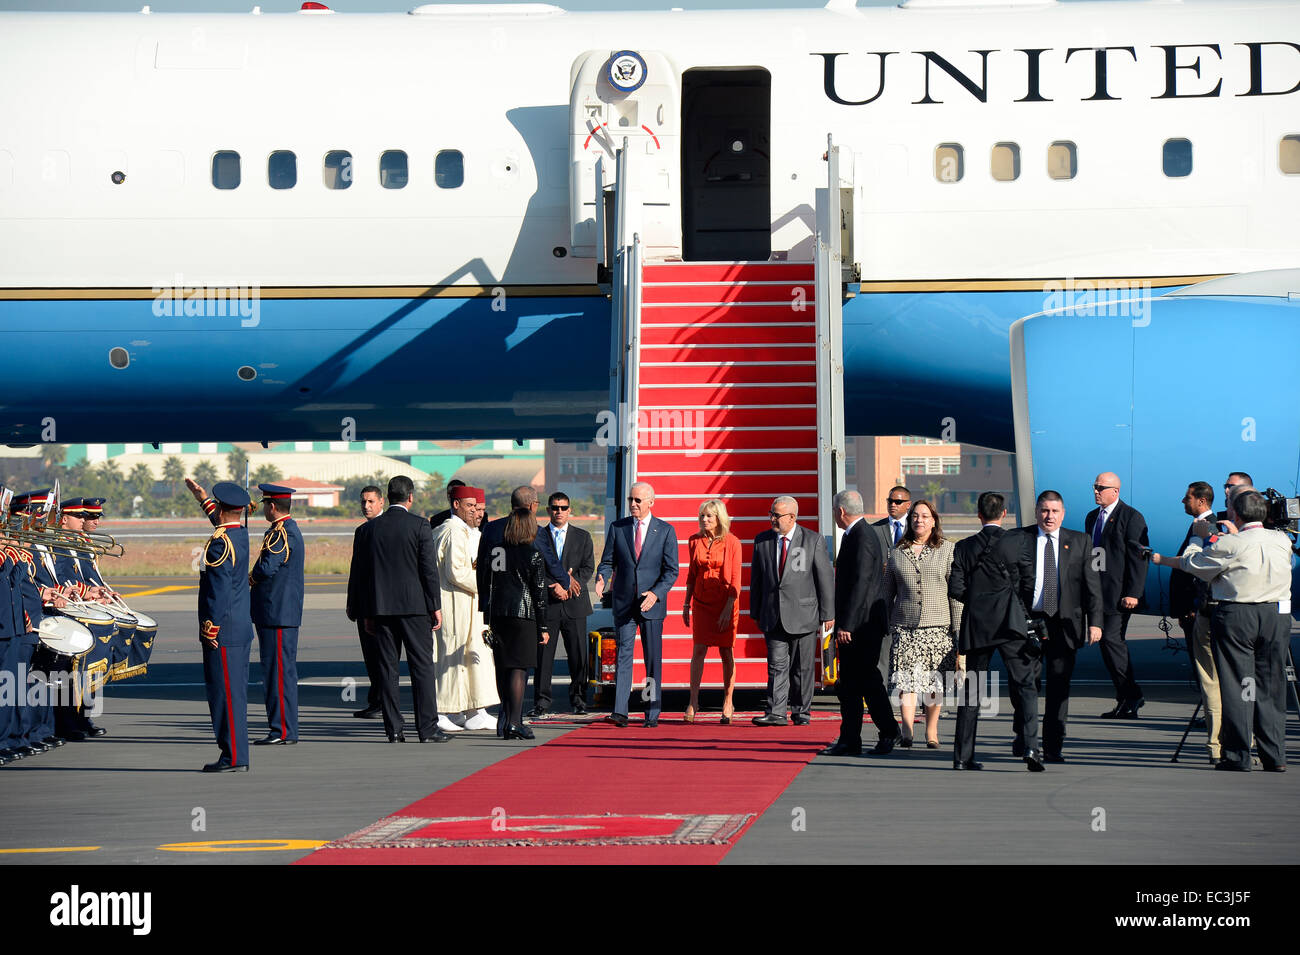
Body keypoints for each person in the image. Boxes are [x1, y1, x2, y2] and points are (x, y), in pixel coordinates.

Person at [1151, 488, 1292, 772]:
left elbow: (1194, 564)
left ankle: (1237, 754)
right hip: (1276, 615)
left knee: (1239, 685)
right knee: (1271, 686)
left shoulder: (1230, 544)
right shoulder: (1281, 540)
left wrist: (1199, 537)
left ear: (1236, 515)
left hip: (1238, 614)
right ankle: (1274, 755)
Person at [346, 475, 451, 744]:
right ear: (410, 497)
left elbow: (359, 575)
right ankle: (427, 728)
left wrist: (362, 611)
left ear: (387, 498)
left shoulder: (367, 531)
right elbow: (428, 570)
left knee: (387, 670)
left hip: (381, 610)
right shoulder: (419, 526)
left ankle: (393, 729)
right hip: (414, 608)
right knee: (422, 668)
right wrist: (434, 606)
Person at [1006, 490, 1103, 766]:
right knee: (1024, 684)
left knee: (1059, 687)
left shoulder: (1081, 541)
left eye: (1055, 511)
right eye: (1044, 511)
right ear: (1037, 512)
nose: (1049, 516)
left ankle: (1052, 747)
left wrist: (1095, 622)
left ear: (1063, 513)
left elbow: (1091, 585)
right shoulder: (1020, 538)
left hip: (1065, 624)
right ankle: (1025, 736)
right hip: (1028, 620)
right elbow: (1010, 582)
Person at [949, 491, 1041, 771]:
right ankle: (1031, 748)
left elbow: (955, 588)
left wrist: (978, 601)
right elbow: (1029, 583)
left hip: (978, 625)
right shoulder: (1018, 542)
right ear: (1004, 514)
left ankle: (963, 757)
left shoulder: (964, 547)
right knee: (1025, 686)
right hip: (1011, 624)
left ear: (979, 515)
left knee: (972, 692)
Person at [819, 489, 900, 757]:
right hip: (858, 624)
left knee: (866, 682)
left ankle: (888, 730)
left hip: (862, 627)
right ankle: (850, 739)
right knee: (851, 685)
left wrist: (847, 625)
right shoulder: (859, 534)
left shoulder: (862, 537)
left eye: (834, 511)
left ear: (841, 511)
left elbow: (861, 585)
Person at [594, 481, 678, 727]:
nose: (632, 504)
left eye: (638, 500)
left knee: (652, 659)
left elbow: (671, 571)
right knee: (623, 656)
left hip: (651, 605)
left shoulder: (665, 531)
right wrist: (602, 577)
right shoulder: (618, 528)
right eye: (631, 499)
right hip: (624, 603)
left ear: (651, 502)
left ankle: (651, 712)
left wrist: (656, 593)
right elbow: (607, 561)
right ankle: (620, 711)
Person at [882, 499, 961, 748]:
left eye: (925, 516)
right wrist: (882, 624)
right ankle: (906, 732)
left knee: (932, 684)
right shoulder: (897, 552)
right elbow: (886, 593)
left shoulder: (947, 550)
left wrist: (958, 630)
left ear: (934, 520)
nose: (919, 520)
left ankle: (932, 732)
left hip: (938, 628)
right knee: (906, 683)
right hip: (905, 628)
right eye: (915, 516)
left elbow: (956, 595)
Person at [749, 495, 833, 727]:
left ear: (792, 517)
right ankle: (776, 712)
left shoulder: (812, 540)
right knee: (776, 665)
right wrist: (755, 610)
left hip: (804, 615)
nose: (772, 519)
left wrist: (828, 614)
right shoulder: (762, 541)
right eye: (771, 513)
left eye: (777, 515)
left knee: (802, 667)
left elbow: (824, 579)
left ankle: (801, 712)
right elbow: (756, 578)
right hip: (772, 615)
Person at [189, 480, 255, 772]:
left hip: (224, 629)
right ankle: (236, 754)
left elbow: (217, 592)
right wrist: (203, 499)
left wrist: (210, 627)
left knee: (224, 695)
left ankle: (233, 757)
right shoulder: (240, 535)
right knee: (236, 694)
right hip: (240, 626)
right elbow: (222, 520)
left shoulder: (219, 544)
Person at [430, 485, 498, 733]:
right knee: (451, 657)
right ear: (456, 504)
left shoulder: (463, 531)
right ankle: (440, 711)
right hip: (455, 604)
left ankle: (472, 710)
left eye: (477, 507)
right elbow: (457, 572)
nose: (474, 512)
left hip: (467, 605)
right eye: (469, 506)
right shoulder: (453, 531)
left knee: (469, 658)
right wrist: (487, 583)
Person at [1084, 472, 1150, 718]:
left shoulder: (1131, 517)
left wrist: (1134, 592)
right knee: (1106, 644)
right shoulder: (1092, 517)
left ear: (1115, 491)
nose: (1096, 491)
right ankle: (1125, 698)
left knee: (1112, 642)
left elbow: (1138, 558)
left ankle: (1132, 695)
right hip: (1097, 591)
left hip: (1119, 594)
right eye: (1094, 486)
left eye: (1101, 487)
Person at [1168, 481, 1223, 762]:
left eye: (1187, 497)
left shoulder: (1210, 527)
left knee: (1210, 676)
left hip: (1201, 612)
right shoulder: (1199, 525)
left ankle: (1217, 739)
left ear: (1201, 501)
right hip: (1195, 612)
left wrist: (1189, 607)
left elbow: (1195, 569)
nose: (1183, 501)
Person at [486, 503, 551, 740]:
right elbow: (539, 593)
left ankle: (505, 721)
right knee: (518, 669)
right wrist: (543, 626)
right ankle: (515, 722)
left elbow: (489, 581)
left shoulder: (497, 551)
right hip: (523, 615)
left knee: (503, 668)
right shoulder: (533, 554)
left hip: (499, 614)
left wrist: (487, 614)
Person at [250, 484, 306, 746]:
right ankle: (282, 728)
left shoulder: (282, 533)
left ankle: (283, 730)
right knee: (276, 672)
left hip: (278, 613)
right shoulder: (282, 531)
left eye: (264, 504)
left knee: (279, 674)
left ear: (272, 506)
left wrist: (248, 577)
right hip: (277, 613)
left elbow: (266, 568)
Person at [531, 490, 594, 718]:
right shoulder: (538, 536)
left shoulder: (583, 536)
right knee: (543, 656)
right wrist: (555, 585)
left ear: (570, 510)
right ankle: (542, 701)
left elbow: (588, 567)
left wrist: (569, 584)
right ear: (548, 510)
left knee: (578, 655)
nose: (559, 512)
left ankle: (578, 699)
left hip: (575, 604)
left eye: (563, 508)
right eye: (555, 508)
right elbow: (535, 567)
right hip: (548, 603)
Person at [682, 498, 742, 724]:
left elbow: (736, 578)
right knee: (698, 650)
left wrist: (728, 607)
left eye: (709, 516)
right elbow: (691, 575)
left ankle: (728, 701)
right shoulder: (694, 541)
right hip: (702, 603)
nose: (704, 519)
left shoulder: (732, 542)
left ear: (719, 518)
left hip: (725, 602)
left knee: (726, 652)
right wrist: (686, 604)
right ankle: (693, 700)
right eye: (702, 516)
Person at [351, 485, 386, 719]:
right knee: (371, 656)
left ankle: (384, 701)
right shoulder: (361, 531)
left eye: (371, 501)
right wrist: (351, 603)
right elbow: (356, 571)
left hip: (384, 604)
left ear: (381, 502)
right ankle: (376, 700)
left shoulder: (387, 528)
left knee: (383, 656)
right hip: (365, 604)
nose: (367, 506)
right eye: (364, 502)